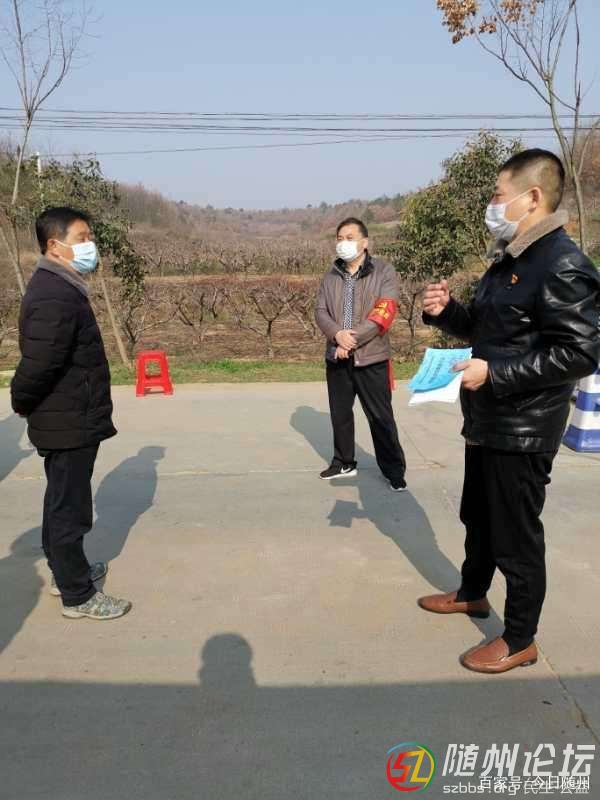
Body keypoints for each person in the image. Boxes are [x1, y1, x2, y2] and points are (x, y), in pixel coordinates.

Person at [419, 149, 600, 673]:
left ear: (532, 197)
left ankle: (520, 638)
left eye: (499, 195)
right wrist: (447, 313)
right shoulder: (510, 259)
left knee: (515, 536)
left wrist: (495, 374)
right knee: (477, 514)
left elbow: (580, 353)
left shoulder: (561, 262)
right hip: (488, 416)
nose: (493, 204)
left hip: (524, 425)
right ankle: (472, 592)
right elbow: (487, 330)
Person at [11, 207, 131, 621]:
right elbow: (39, 364)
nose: (89, 245)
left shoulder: (62, 285)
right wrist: (22, 401)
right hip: (67, 419)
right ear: (54, 245)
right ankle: (77, 595)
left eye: (89, 237)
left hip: (70, 414)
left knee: (61, 500)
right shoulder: (54, 293)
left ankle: (66, 572)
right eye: (81, 238)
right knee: (70, 508)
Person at [315, 217, 407, 491]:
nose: (343, 243)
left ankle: (394, 470)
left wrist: (351, 340)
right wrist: (337, 335)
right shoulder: (331, 276)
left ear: (365, 242)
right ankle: (344, 462)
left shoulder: (383, 272)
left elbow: (384, 312)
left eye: (349, 238)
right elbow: (320, 311)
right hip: (337, 356)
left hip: (371, 357)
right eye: (339, 238)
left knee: (380, 417)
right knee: (340, 414)